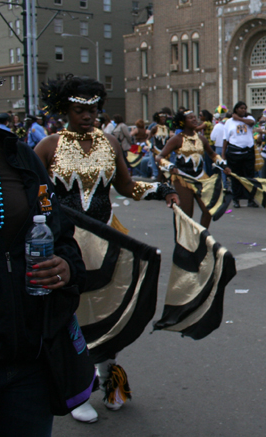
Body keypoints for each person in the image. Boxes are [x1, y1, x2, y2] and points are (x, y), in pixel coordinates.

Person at [33, 75, 178, 424]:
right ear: (65, 110)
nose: (88, 116)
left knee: (109, 310)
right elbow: (32, 191)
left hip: (107, 240)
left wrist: (161, 190)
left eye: (94, 110)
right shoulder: (49, 146)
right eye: (80, 109)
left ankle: (109, 376)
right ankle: (78, 387)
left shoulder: (110, 142)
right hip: (66, 245)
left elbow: (126, 187)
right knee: (72, 313)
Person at [0, 59, 89, 436]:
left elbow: (60, 234)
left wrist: (65, 266)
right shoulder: (45, 145)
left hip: (29, 362)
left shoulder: (17, 155)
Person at [156, 110, 229, 228]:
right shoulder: (177, 139)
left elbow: (212, 154)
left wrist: (223, 165)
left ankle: (202, 235)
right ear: (182, 122)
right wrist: (170, 166)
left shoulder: (201, 138)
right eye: (190, 118)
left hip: (201, 178)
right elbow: (159, 156)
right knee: (187, 213)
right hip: (183, 178)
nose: (194, 119)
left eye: (195, 117)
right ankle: (183, 237)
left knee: (208, 210)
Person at [222, 101, 258, 208]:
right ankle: (236, 199)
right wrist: (223, 154)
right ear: (236, 109)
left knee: (249, 177)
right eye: (241, 108)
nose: (243, 110)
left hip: (248, 152)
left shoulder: (249, 118)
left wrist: (239, 119)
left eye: (245, 108)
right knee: (236, 177)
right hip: (234, 153)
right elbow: (225, 139)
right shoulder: (229, 122)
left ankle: (250, 199)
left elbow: (251, 123)